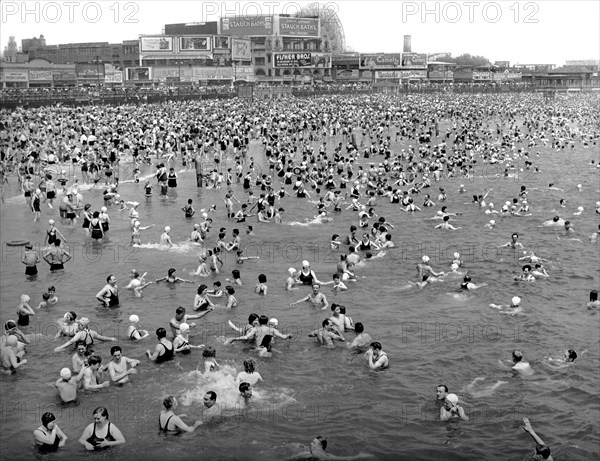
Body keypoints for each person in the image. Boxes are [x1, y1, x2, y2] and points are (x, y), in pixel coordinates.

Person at [289, 436, 374, 460]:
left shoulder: (325, 456)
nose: (311, 443)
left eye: (314, 443)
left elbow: (345, 459)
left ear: (320, 446)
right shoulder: (310, 452)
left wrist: (360, 456)